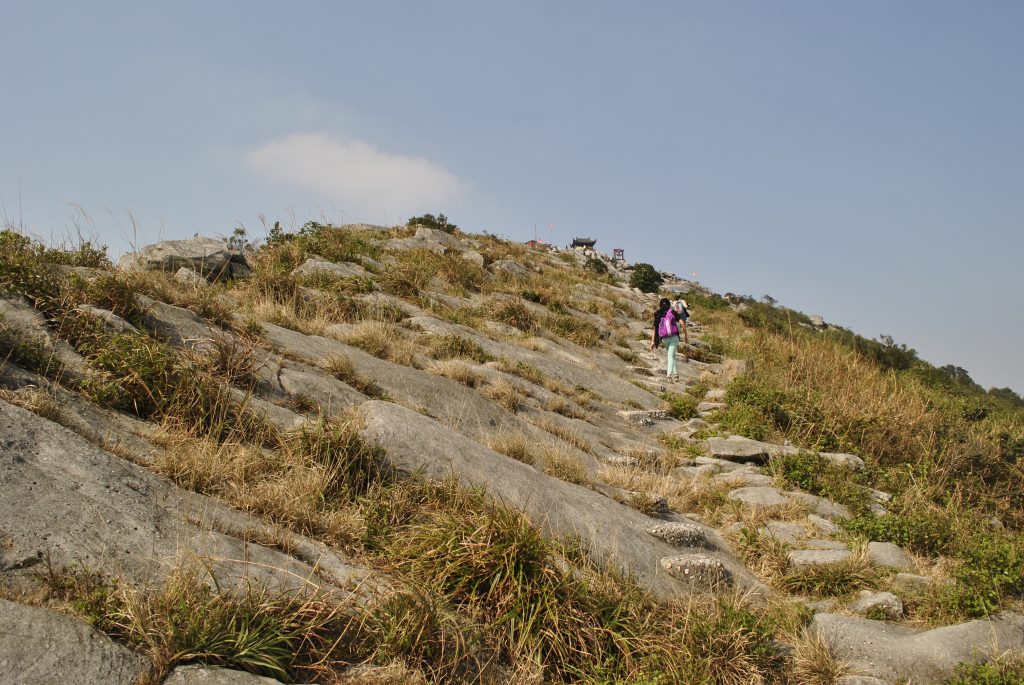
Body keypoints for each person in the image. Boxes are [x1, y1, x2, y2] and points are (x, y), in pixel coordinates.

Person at [650, 297, 682, 380]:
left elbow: (655, 329)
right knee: (671, 355)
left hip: (664, 338)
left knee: (672, 355)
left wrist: (653, 341)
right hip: (674, 337)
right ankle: (669, 376)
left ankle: (675, 375)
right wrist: (685, 335)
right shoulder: (672, 312)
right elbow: (682, 323)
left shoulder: (657, 313)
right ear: (669, 305)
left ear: (660, 305)